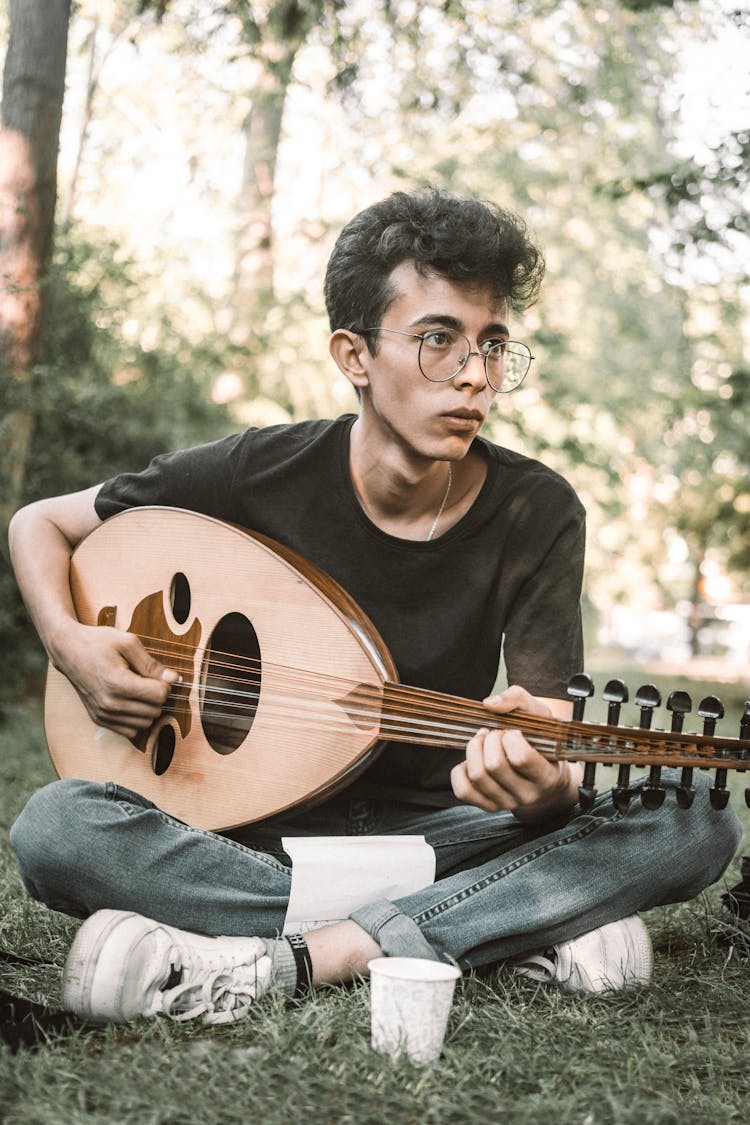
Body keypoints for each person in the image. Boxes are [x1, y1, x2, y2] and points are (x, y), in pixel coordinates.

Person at [8, 188, 740, 1025]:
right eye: (438, 340)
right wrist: (71, 644)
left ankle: (300, 955)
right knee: (58, 828)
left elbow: (551, 763)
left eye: (492, 345)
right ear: (353, 355)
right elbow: (41, 524)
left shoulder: (538, 510)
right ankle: (497, 924)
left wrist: (539, 791)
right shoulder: (257, 471)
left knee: (696, 821)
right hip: (250, 837)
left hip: (441, 829)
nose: (475, 375)